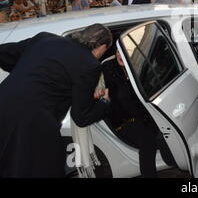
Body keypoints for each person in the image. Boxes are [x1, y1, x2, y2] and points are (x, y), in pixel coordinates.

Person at [0, 24, 113, 177]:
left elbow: (5, 54)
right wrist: (104, 103)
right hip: (32, 124)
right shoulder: (89, 65)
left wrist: (27, 76)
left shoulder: (45, 38)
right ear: (102, 47)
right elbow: (81, 117)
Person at [100, 51, 168, 177]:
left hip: (141, 115)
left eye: (124, 52)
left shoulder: (137, 66)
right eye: (117, 52)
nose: (120, 55)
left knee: (160, 132)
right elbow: (122, 97)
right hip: (121, 119)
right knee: (147, 140)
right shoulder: (108, 69)